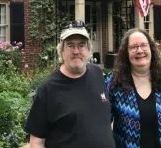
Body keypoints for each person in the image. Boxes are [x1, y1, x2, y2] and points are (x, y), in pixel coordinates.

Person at [25, 20, 116, 148]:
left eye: (81, 45)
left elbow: (105, 119)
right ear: (61, 51)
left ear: (89, 50)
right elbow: (37, 142)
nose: (76, 51)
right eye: (70, 45)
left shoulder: (97, 73)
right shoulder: (48, 88)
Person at [105, 28, 161, 148]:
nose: (139, 50)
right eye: (133, 47)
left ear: (151, 49)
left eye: (143, 45)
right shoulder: (114, 82)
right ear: (125, 53)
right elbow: (103, 121)